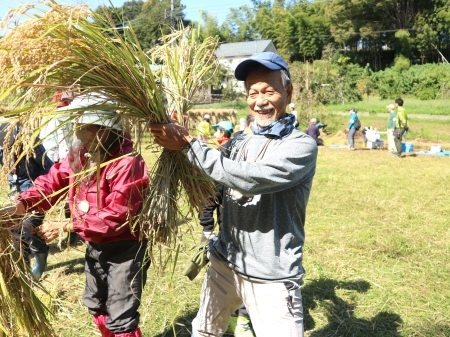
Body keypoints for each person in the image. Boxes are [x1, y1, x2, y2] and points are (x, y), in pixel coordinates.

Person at [150, 51, 318, 337]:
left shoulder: (300, 146)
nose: (260, 100)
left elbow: (249, 178)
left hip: (270, 274)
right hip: (224, 260)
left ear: (288, 92)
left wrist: (189, 144)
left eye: (269, 90)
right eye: (253, 92)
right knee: (205, 331)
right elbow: (212, 176)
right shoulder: (240, 141)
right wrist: (175, 139)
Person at [0, 93, 149, 337]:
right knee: (95, 302)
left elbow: (117, 217)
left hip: (125, 247)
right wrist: (19, 206)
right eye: (76, 128)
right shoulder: (81, 156)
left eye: (84, 129)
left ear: (104, 129)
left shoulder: (128, 163)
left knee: (121, 314)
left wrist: (68, 225)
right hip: (95, 242)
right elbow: (51, 184)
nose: (79, 136)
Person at [0, 123, 53, 279]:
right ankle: (23, 270)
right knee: (14, 232)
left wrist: (39, 189)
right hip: (15, 195)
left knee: (29, 228)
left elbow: (48, 168)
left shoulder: (31, 144)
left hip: (35, 192)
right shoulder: (2, 146)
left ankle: (39, 265)